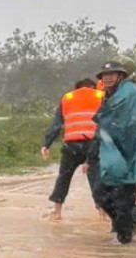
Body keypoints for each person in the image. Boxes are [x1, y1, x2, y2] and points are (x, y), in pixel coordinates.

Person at [89, 59, 136, 245]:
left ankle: (124, 241)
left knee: (123, 198)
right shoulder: (109, 97)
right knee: (100, 194)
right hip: (112, 155)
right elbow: (102, 127)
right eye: (104, 75)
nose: (107, 78)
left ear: (121, 77)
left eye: (111, 75)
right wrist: (90, 157)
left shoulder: (130, 96)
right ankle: (131, 221)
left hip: (129, 155)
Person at [40, 76, 104, 219]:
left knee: (63, 178)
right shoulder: (101, 95)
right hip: (93, 146)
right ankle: (102, 214)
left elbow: (56, 125)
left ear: (77, 88)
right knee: (96, 179)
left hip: (71, 146)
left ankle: (57, 212)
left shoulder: (67, 98)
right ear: (94, 87)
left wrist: (46, 144)